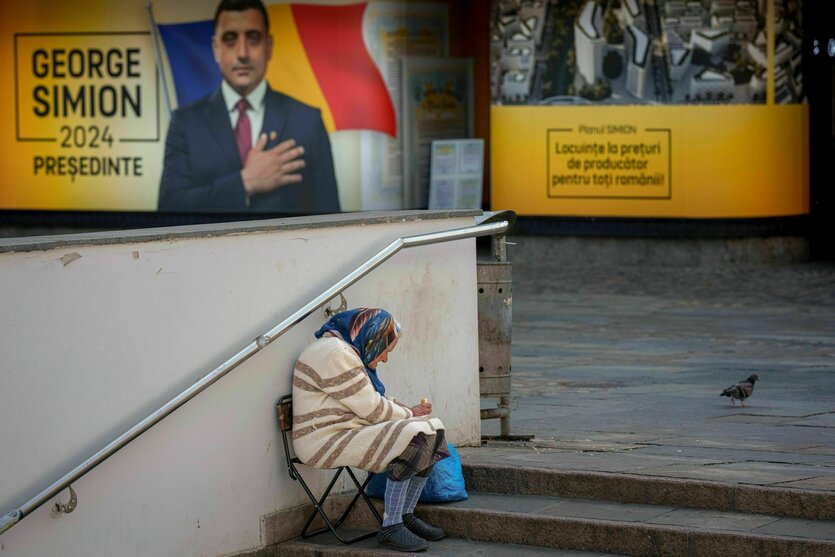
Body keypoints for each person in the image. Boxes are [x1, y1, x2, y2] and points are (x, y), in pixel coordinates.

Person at [158, 0, 340, 214]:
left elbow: (329, 220)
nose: (242, 53)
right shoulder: (185, 123)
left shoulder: (307, 121)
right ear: (216, 49)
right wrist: (245, 183)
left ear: (269, 46)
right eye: (230, 39)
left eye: (253, 38)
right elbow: (168, 211)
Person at [292, 308, 450, 552]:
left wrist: (404, 411)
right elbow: (372, 409)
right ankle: (392, 526)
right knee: (417, 436)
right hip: (323, 441)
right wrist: (408, 413)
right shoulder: (334, 353)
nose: (385, 358)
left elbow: (365, 400)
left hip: (344, 429)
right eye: (386, 350)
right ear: (373, 337)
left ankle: (405, 515)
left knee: (433, 432)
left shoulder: (344, 350)